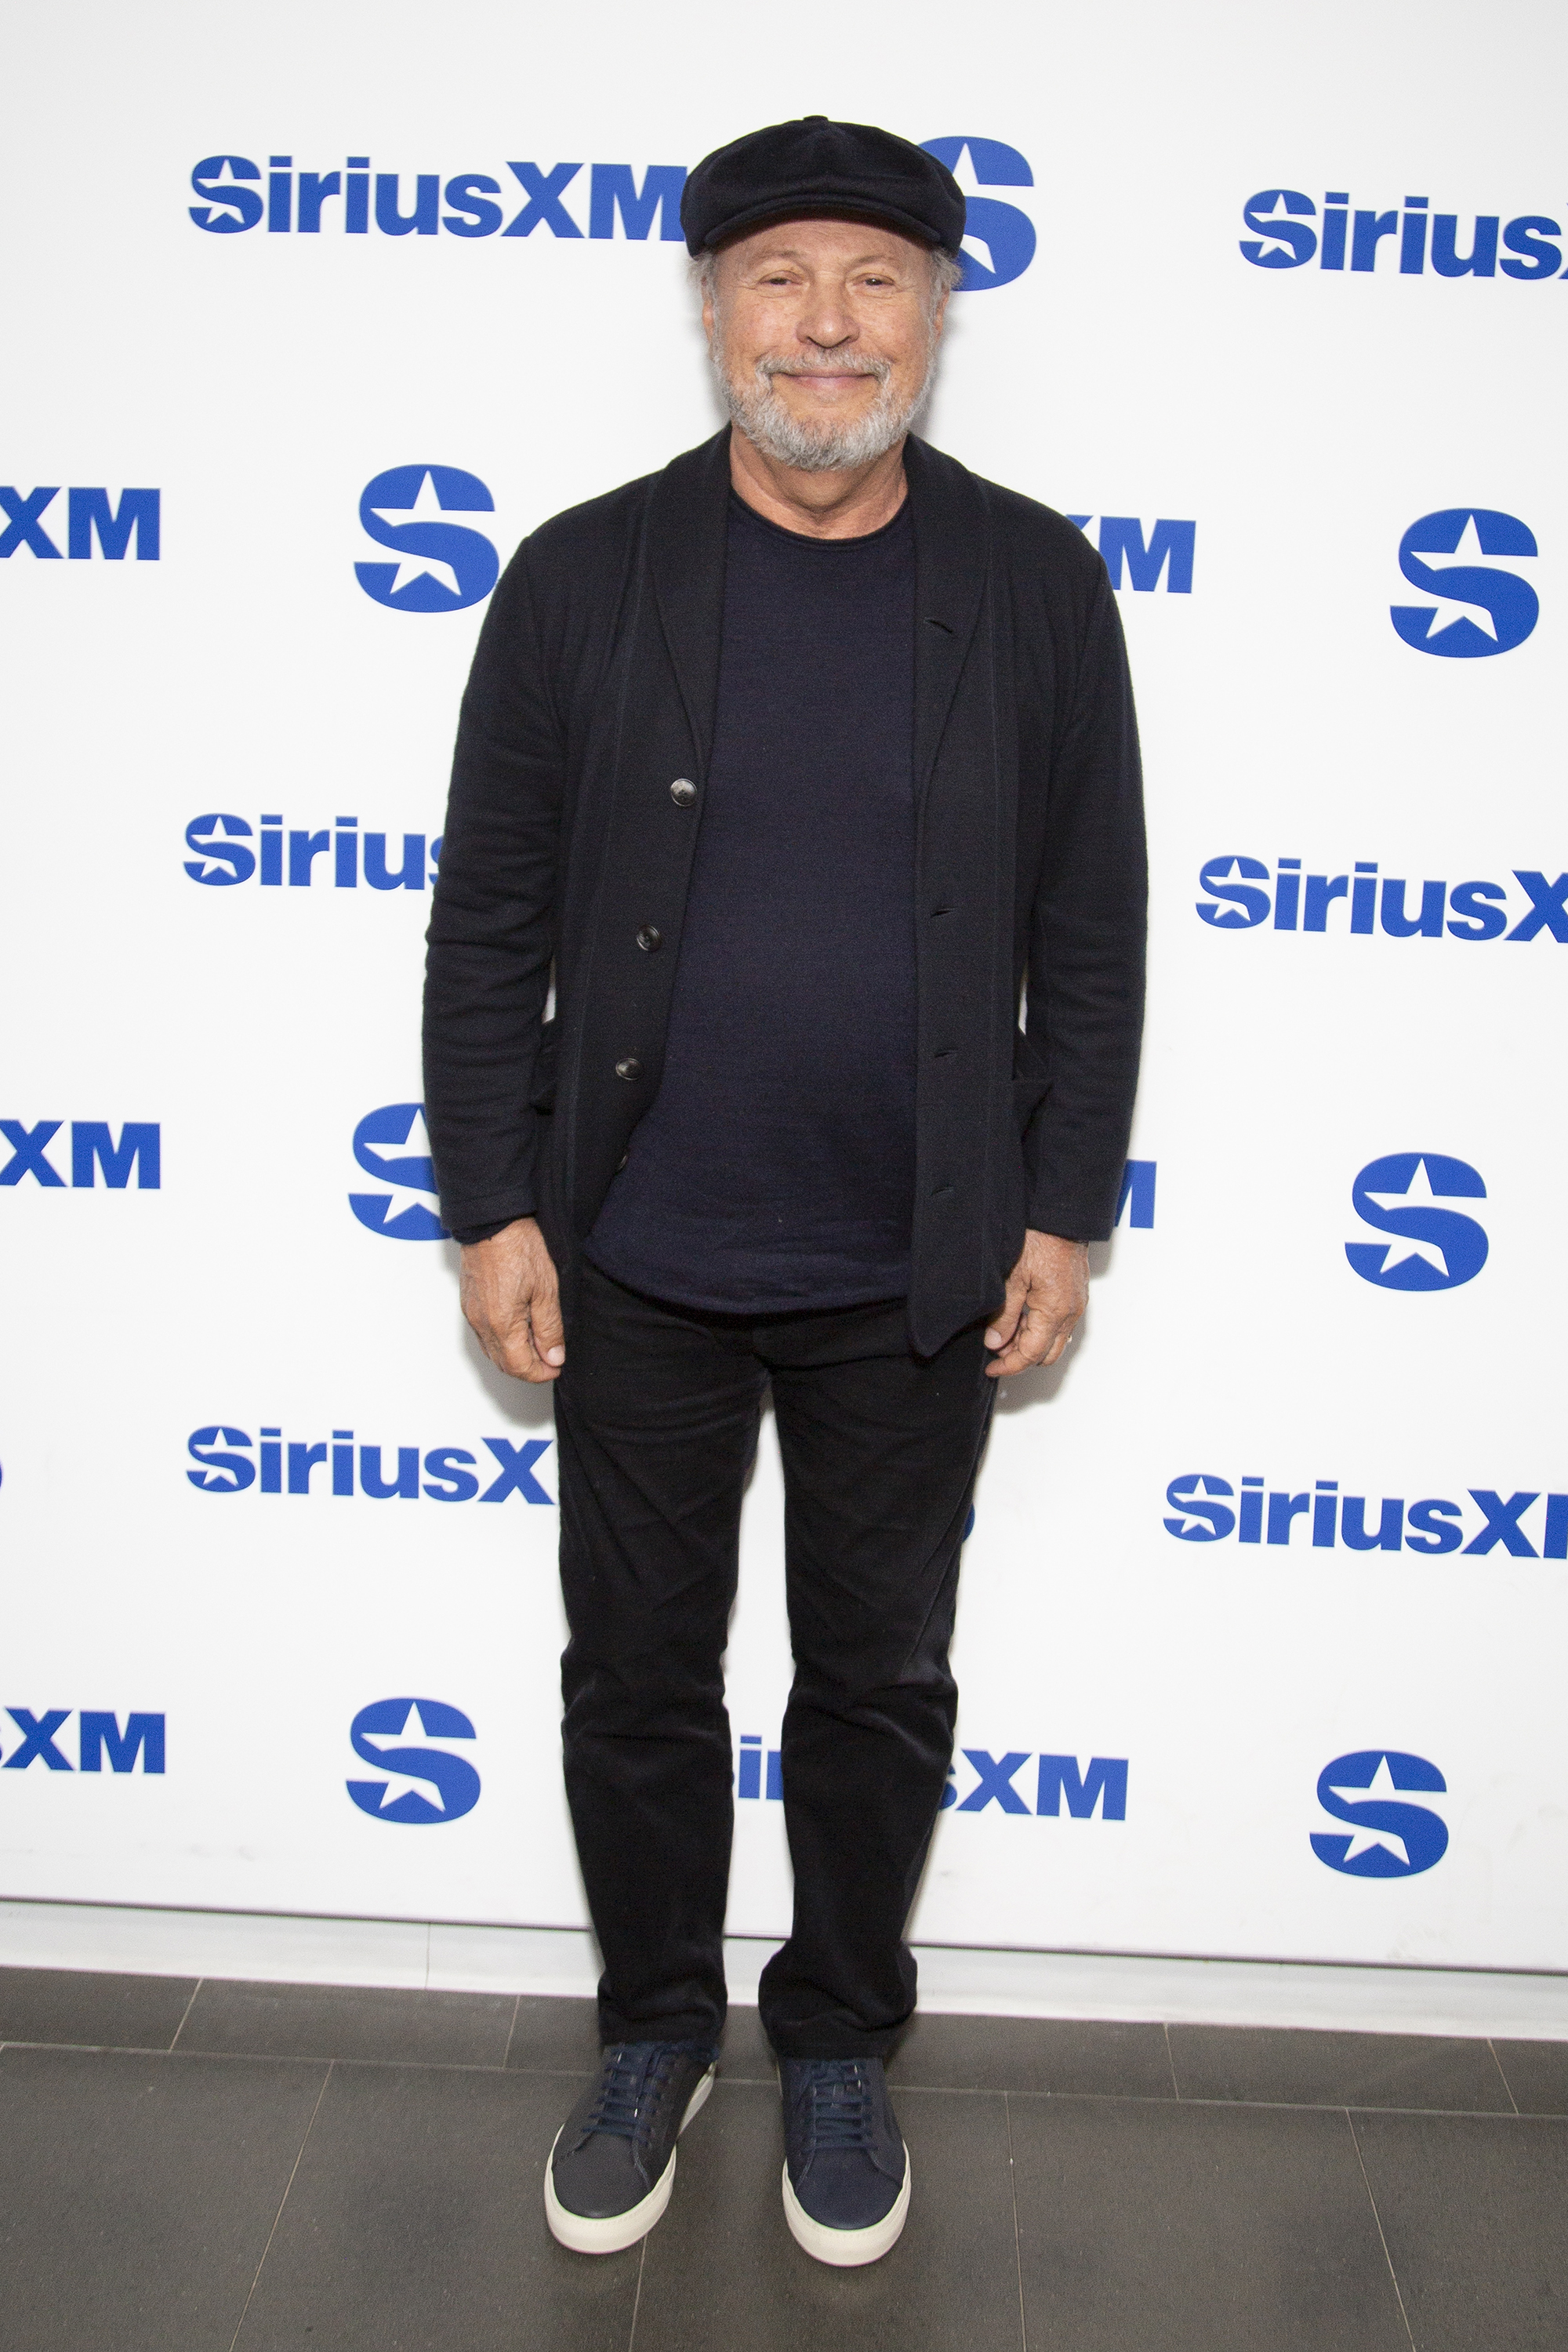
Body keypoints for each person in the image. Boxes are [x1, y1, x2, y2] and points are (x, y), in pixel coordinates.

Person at [423, 114, 1145, 2267]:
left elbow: (1092, 927)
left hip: (916, 1261)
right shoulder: (581, 572)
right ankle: (651, 2026)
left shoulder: (1034, 582)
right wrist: (490, 1207)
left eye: (874, 279)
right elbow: (490, 922)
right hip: (631, 1244)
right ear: (713, 307)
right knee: (633, 1679)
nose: (825, 324)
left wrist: (1063, 1203)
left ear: (935, 311)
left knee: (876, 1679)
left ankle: (837, 2034)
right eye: (779, 277)